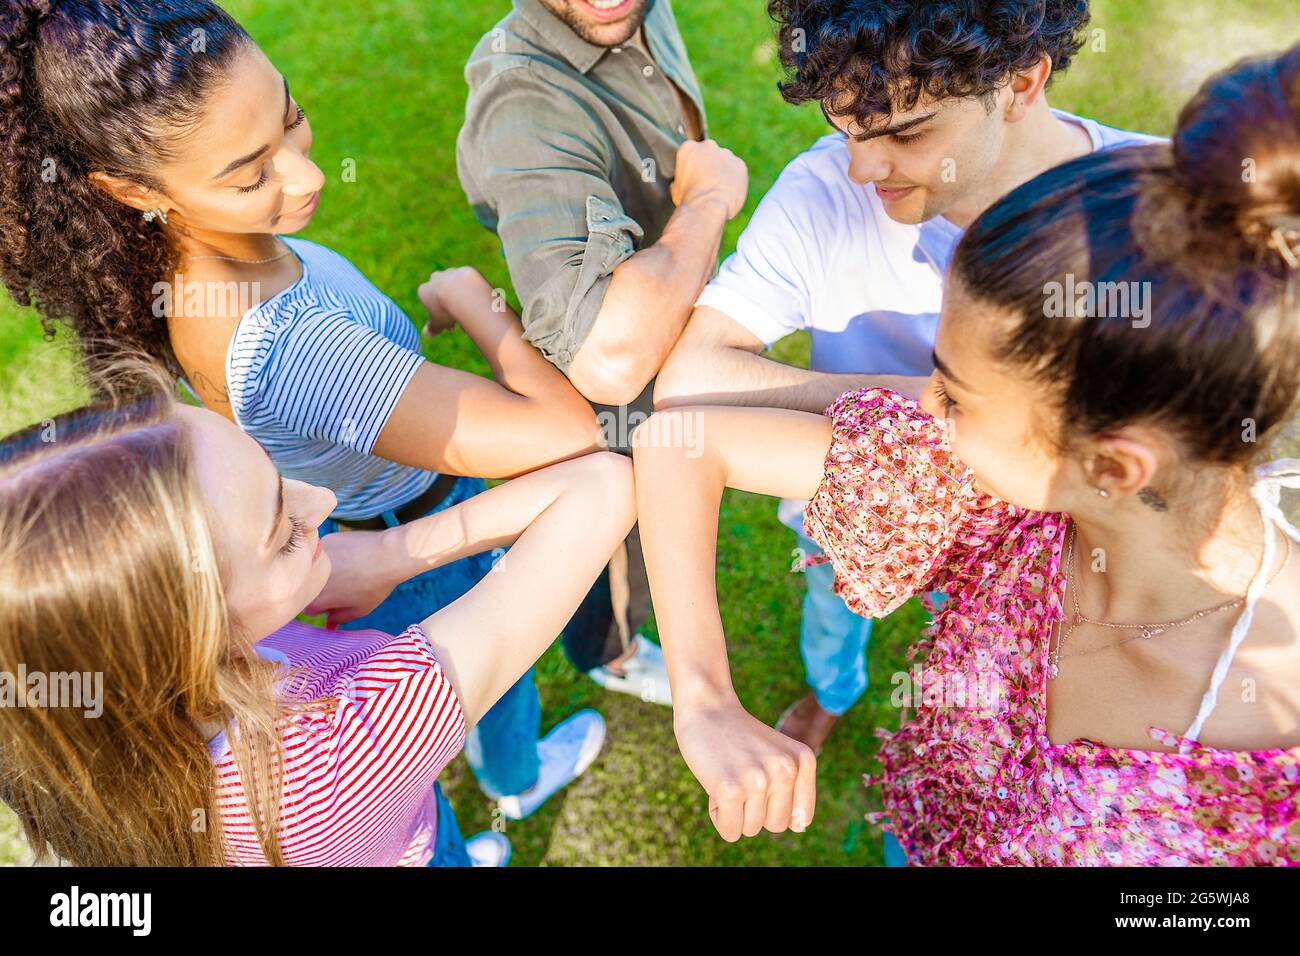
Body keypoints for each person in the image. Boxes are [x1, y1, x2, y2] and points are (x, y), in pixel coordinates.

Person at [633, 44, 1300, 864]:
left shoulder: (1271, 753)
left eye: (952, 394)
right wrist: (702, 701)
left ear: (1112, 465)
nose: (923, 409)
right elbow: (676, 441)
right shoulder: (998, 510)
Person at [0, 0, 602, 822]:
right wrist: (478, 304)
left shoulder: (194, 267)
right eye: (251, 175)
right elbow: (570, 437)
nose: (307, 175)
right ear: (130, 189)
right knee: (490, 677)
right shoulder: (292, 347)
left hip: (363, 521)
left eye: (291, 119)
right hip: (413, 519)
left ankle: (496, 780)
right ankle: (513, 781)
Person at [653, 0, 1160, 752]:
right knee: (833, 607)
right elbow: (688, 383)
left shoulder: (1161, 206)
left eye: (906, 132)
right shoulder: (825, 192)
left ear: (1022, 83)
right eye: (847, 129)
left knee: (994, 688)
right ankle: (833, 691)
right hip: (853, 502)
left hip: (1037, 543)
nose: (862, 167)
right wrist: (957, 406)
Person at [0, 372, 635, 866]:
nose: (324, 503)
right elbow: (604, 485)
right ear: (191, 637)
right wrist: (392, 552)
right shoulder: (349, 743)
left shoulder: (59, 735)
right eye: (283, 533)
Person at [457, 0, 748, 703]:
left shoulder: (624, 13)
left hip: (668, 348)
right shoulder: (523, 102)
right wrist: (706, 203)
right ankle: (606, 653)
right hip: (614, 406)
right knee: (616, 528)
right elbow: (609, 360)